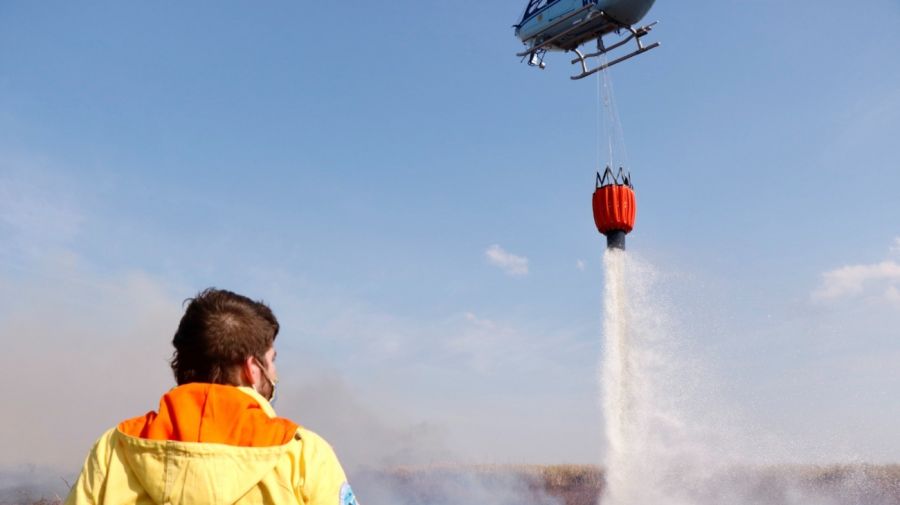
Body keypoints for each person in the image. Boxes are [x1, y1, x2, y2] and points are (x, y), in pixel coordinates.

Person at [65, 288, 359, 505]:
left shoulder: (114, 447)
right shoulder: (304, 453)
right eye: (272, 360)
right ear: (252, 368)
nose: (276, 373)